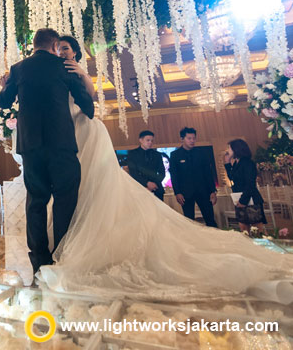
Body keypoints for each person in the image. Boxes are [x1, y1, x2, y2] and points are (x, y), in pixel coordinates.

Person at [37, 80, 293, 305]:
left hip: (167, 190)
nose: (150, 143)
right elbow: (132, 170)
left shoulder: (153, 152)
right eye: (147, 140)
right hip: (132, 180)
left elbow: (164, 172)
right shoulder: (134, 154)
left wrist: (157, 183)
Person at [0, 28, 95, 274]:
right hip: (61, 143)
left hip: (30, 145)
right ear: (54, 46)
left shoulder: (18, 69)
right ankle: (62, 254)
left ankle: (39, 259)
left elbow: (3, 103)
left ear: (34, 45)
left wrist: (6, 85)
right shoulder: (63, 66)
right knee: (65, 197)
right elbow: (88, 106)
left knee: (36, 201)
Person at [170, 127, 218, 227]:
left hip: (204, 191)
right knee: (189, 221)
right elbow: (174, 175)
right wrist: (177, 192)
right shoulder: (175, 155)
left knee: (210, 219)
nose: (192, 141)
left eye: (194, 138)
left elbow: (208, 173)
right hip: (185, 193)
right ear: (182, 139)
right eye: (189, 138)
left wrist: (213, 191)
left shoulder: (201, 153)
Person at [224, 139, 266, 233]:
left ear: (236, 149)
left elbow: (250, 184)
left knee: (257, 229)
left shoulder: (247, 163)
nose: (228, 151)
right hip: (240, 198)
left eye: (229, 148)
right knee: (244, 228)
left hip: (250, 198)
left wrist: (243, 201)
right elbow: (232, 177)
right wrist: (227, 162)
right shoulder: (236, 163)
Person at [126, 130, 165, 201]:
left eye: (152, 141)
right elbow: (133, 173)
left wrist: (154, 184)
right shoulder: (132, 154)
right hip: (139, 188)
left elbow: (162, 172)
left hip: (156, 189)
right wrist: (147, 183)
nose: (150, 142)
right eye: (148, 140)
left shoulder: (157, 155)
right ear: (141, 140)